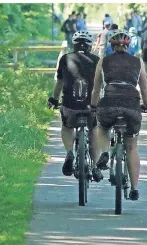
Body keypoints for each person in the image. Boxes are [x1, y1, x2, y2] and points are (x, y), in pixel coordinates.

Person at [90, 29, 147, 201]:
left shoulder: (103, 61)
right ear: (128, 45)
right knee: (131, 147)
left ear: (111, 45)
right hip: (132, 105)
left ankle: (104, 152)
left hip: (109, 104)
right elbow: (144, 88)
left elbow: (96, 89)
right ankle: (135, 188)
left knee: (102, 128)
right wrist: (146, 105)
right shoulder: (138, 62)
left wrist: (94, 105)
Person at [47, 31, 99, 177]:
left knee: (66, 126)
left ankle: (70, 152)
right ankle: (95, 166)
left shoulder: (65, 59)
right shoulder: (96, 60)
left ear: (73, 44)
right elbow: (101, 85)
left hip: (70, 105)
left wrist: (54, 99)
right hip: (90, 107)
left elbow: (59, 83)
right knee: (94, 130)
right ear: (90, 45)